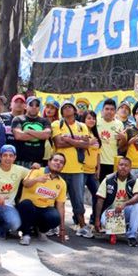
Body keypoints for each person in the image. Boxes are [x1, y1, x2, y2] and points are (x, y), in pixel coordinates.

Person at [51, 101, 92, 236]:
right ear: (61, 112)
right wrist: (77, 143)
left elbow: (86, 145)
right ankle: (54, 226)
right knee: (55, 199)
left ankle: (82, 226)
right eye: (65, 108)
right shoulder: (57, 124)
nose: (67, 109)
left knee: (78, 200)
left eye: (70, 107)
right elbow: (58, 143)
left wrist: (68, 140)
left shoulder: (82, 126)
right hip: (59, 169)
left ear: (75, 111)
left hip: (77, 170)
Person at [17, 153, 68, 246]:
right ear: (49, 162)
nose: (58, 163)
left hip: (45, 209)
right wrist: (37, 179)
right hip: (29, 208)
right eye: (55, 160)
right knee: (26, 204)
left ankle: (41, 231)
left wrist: (62, 229)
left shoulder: (62, 183)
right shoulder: (37, 170)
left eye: (61, 162)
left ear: (63, 167)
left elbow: (61, 206)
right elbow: (25, 183)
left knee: (55, 217)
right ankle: (26, 234)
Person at [0, 145, 29, 240]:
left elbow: (35, 174)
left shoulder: (19, 170)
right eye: (5, 155)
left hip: (8, 206)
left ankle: (1, 230)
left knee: (15, 224)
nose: (8, 158)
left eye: (11, 156)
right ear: (0, 156)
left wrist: (37, 167)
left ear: (15, 157)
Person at [94, 157, 138, 247]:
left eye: (126, 165)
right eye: (121, 165)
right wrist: (97, 220)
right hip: (110, 211)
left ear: (130, 168)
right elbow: (100, 200)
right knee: (105, 223)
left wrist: (124, 204)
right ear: (117, 166)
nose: (123, 167)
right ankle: (114, 230)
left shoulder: (134, 180)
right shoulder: (108, 179)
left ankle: (132, 236)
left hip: (124, 211)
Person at [11, 96, 52, 168]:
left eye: (37, 105)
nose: (34, 107)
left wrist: (28, 131)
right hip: (20, 161)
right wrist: (40, 135)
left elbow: (46, 135)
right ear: (25, 106)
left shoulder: (44, 121)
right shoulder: (18, 119)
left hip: (39, 162)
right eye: (31, 104)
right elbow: (19, 136)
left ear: (39, 108)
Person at [80, 110, 101, 237]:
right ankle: (79, 221)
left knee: (98, 196)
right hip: (81, 170)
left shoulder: (95, 134)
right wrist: (88, 142)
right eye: (89, 118)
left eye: (93, 118)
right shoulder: (81, 132)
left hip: (92, 171)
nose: (92, 120)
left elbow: (98, 154)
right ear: (83, 119)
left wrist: (98, 169)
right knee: (78, 197)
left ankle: (94, 219)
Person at [96, 98, 125, 183]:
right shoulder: (96, 122)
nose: (109, 111)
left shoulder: (119, 124)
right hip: (97, 163)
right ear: (102, 110)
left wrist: (123, 138)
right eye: (107, 109)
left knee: (110, 190)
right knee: (98, 191)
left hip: (113, 162)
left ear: (115, 112)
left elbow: (120, 146)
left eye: (112, 109)